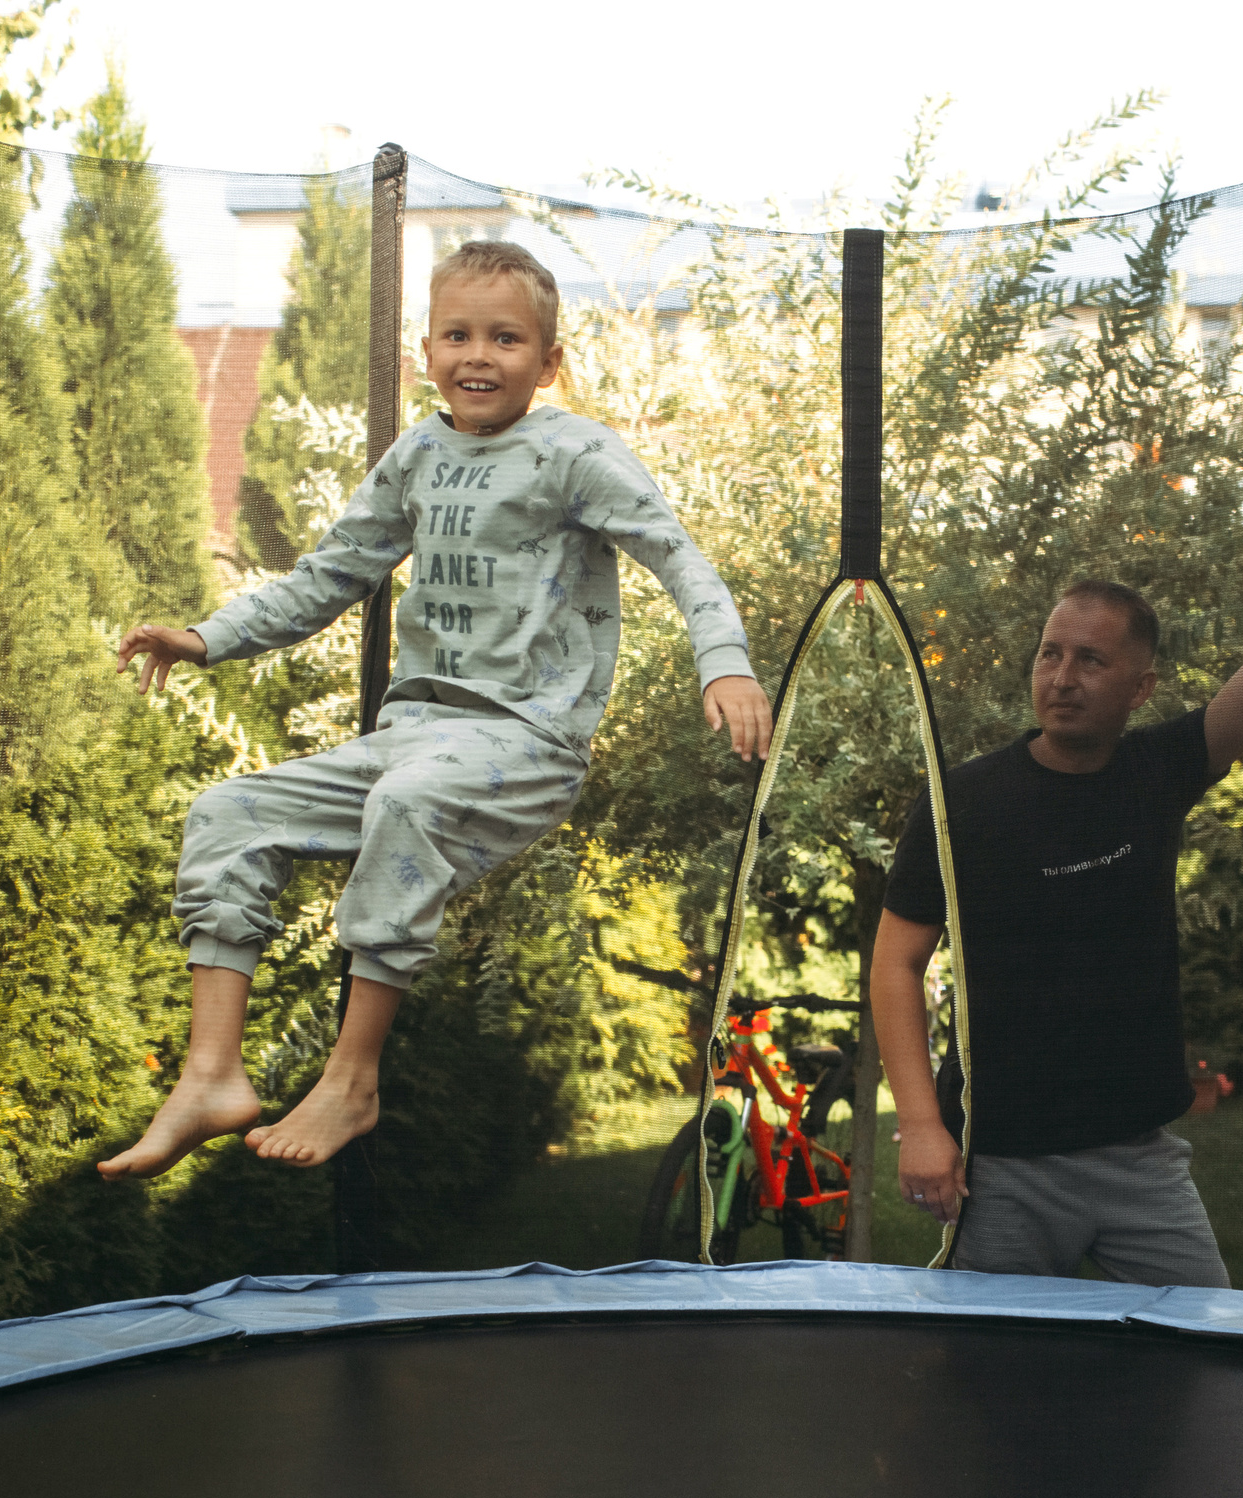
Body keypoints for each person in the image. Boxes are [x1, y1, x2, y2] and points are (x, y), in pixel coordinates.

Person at [99, 241, 772, 1179]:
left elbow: (678, 554)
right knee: (226, 814)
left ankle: (353, 1078)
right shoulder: (416, 455)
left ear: (550, 360)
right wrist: (206, 639)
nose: (479, 356)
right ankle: (212, 1075)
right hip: (413, 735)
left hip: (525, 740)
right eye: (458, 335)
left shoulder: (574, 451)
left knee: (405, 804)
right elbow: (326, 577)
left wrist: (725, 665)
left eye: (506, 337)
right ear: (426, 352)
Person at [871, 447, 1243, 1285]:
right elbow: (897, 963)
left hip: (1139, 1165)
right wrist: (920, 1122)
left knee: (1204, 1368)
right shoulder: (964, 803)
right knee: (990, 1394)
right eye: (1051, 653)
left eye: (1092, 659)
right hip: (1002, 1164)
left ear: (1140, 686)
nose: (1063, 676)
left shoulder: (1156, 774)